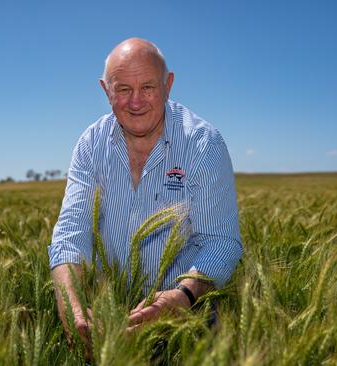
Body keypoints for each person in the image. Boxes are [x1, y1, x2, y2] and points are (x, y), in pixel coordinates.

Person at [47, 38, 242, 356]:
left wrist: (184, 296)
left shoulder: (203, 144)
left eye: (148, 87)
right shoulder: (90, 145)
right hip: (107, 316)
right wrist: (73, 308)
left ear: (168, 85)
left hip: (184, 314)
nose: (135, 102)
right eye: (122, 89)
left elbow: (220, 241)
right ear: (105, 89)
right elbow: (70, 237)